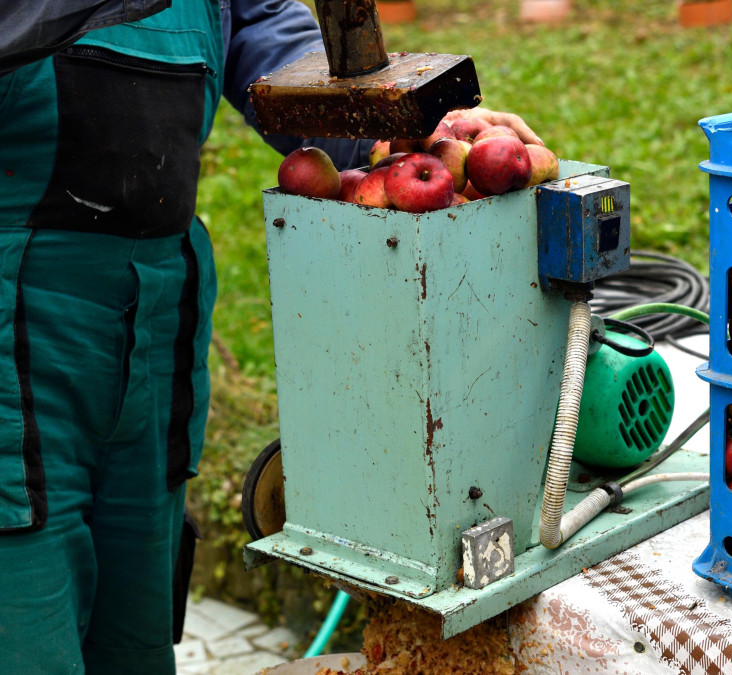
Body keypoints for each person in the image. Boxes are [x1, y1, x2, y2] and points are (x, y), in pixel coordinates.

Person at [0, 2, 536, 672]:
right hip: (20, 310)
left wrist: (395, 137)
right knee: (24, 615)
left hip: (158, 314)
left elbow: (255, 23)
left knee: (132, 628)